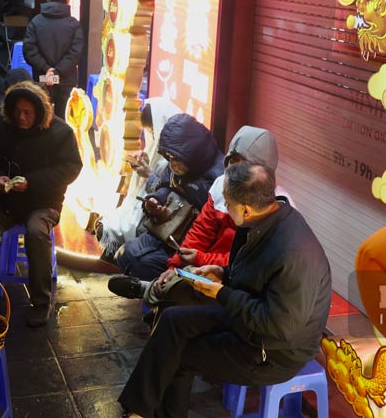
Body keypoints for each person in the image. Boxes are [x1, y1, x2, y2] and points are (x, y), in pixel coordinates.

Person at [103, 161, 332, 418]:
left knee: (180, 354)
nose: (224, 207)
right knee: (172, 320)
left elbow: (279, 327)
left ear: (245, 208)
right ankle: (140, 414)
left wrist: (222, 293)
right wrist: (222, 271)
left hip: (273, 351)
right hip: (248, 320)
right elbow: (255, 275)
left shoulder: (293, 253)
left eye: (228, 202)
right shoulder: (263, 218)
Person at [108, 126, 279, 316]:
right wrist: (175, 266)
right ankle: (158, 290)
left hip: (235, 281)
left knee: (182, 300)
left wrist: (200, 259)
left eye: (242, 164)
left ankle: (150, 290)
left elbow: (245, 263)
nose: (234, 170)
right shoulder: (222, 184)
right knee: (174, 276)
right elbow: (202, 229)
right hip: (207, 266)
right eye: (232, 161)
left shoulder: (269, 207)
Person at [0, 80, 82, 326]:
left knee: (37, 232)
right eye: (17, 111)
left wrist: (33, 182)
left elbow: (71, 167)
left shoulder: (60, 132)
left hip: (43, 201)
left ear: (39, 111)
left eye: (28, 112)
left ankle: (41, 302)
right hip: (4, 200)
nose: (21, 117)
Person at [114, 113, 223, 281]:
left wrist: (185, 189)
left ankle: (153, 296)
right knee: (126, 253)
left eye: (176, 159)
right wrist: (155, 201)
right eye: (169, 158)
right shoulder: (178, 159)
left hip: (189, 241)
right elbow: (164, 185)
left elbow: (209, 222)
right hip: (166, 230)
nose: (173, 163)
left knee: (144, 263)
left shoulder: (218, 175)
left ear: (192, 153)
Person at [97, 97, 182, 263]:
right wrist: (142, 164)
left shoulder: (174, 155)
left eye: (151, 130)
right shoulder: (156, 143)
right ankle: (112, 260)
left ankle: (116, 261)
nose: (150, 134)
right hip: (143, 205)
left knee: (114, 227)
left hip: (159, 213)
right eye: (148, 131)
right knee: (108, 223)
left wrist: (148, 174)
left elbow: (165, 189)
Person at [23, 0, 83, 118]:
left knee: (41, 117)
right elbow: (75, 53)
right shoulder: (74, 25)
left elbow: (29, 50)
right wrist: (57, 72)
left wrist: (47, 70)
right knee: (64, 119)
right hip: (66, 79)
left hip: (42, 77)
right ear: (68, 0)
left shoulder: (36, 22)